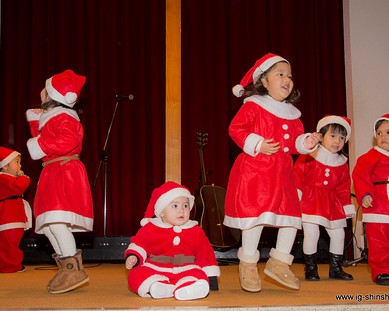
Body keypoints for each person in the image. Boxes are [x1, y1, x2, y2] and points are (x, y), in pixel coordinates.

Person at [224, 53, 321, 292]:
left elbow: (295, 143)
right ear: (264, 81)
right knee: (255, 219)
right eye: (280, 74)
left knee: (291, 219)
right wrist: (258, 144)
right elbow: (236, 129)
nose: (287, 79)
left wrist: (307, 142)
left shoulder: (292, 114)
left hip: (282, 174)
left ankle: (279, 262)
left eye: (289, 76)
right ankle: (247, 263)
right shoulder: (254, 107)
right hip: (256, 173)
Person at [25, 69, 93, 294]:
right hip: (52, 171)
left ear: (53, 95)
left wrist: (40, 144)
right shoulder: (54, 116)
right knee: (47, 225)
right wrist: (36, 122)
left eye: (45, 89)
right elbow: (44, 141)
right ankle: (67, 266)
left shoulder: (65, 117)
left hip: (64, 172)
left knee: (56, 222)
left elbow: (67, 139)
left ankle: (73, 269)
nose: (41, 92)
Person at [125, 181, 220, 300]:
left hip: (186, 268)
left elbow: (205, 253)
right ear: (162, 213)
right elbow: (139, 243)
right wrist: (134, 256)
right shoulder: (151, 228)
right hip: (155, 268)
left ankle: (189, 288)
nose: (181, 210)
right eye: (175, 206)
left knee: (199, 275)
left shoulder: (196, 231)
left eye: (185, 206)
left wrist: (211, 275)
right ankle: (156, 286)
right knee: (135, 275)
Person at [294, 115, 355, 281]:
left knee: (338, 234)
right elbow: (298, 174)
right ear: (320, 136)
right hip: (310, 200)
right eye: (333, 136)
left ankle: (336, 268)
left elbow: (343, 188)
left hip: (332, 203)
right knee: (311, 233)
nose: (337, 141)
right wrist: (297, 194)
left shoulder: (342, 162)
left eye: (342, 138)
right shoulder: (310, 154)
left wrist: (346, 205)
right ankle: (311, 268)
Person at [352, 114, 389, 286]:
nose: (382, 137)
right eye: (379, 133)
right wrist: (365, 194)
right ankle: (382, 270)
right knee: (378, 240)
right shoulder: (369, 157)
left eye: (387, 132)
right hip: (378, 205)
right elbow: (360, 176)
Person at [0, 147, 32, 273]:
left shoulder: (6, 178)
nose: (20, 165)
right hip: (8, 216)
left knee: (10, 241)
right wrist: (23, 177)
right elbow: (18, 188)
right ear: (5, 166)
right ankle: (11, 266)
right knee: (10, 241)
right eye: (17, 162)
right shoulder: (3, 178)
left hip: (12, 214)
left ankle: (10, 264)